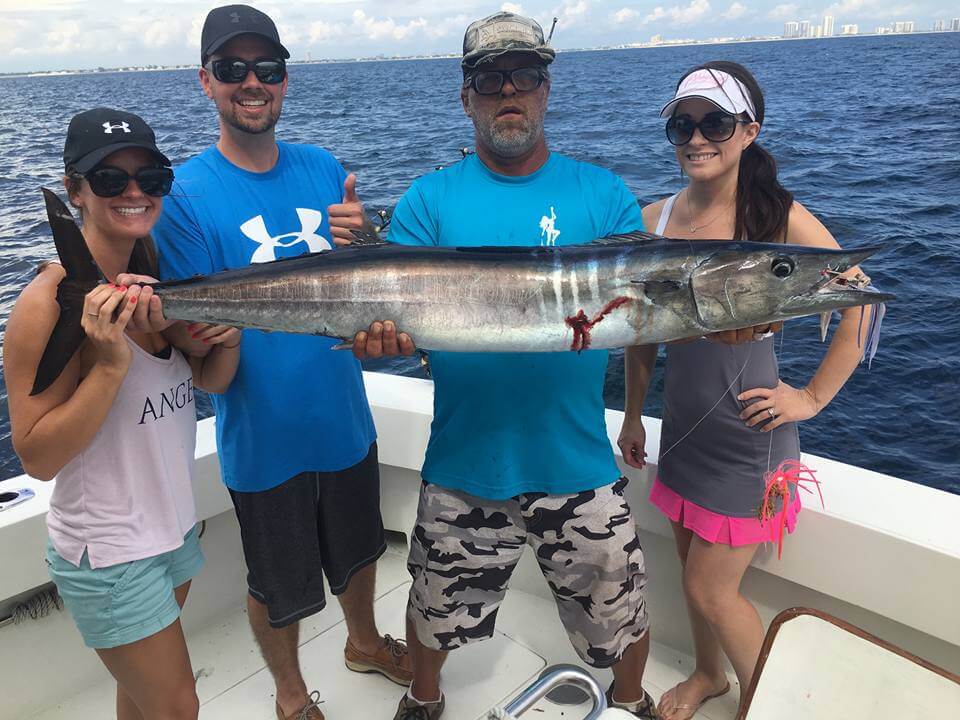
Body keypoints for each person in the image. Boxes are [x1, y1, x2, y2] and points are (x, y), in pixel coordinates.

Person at [353, 12, 659, 720]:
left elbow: (647, 315)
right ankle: (424, 701)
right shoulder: (430, 199)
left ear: (547, 90)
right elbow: (398, 315)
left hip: (579, 461)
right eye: (490, 79)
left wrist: (709, 345)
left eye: (525, 75)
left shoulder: (605, 195)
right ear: (466, 99)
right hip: (466, 460)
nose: (508, 90)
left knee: (625, 611)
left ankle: (632, 702)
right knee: (432, 612)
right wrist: (384, 338)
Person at [117, 6, 412, 720]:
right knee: (276, 586)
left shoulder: (323, 167)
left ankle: (364, 641)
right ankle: (288, 695)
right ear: (206, 82)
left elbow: (375, 281)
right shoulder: (183, 194)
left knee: (362, 548)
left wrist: (369, 238)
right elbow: (199, 331)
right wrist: (176, 327)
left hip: (343, 416)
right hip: (261, 437)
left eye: (267, 69)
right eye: (232, 69)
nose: (252, 82)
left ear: (284, 80)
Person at [618, 61, 879, 719]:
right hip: (683, 431)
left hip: (749, 439)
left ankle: (770, 707)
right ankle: (711, 675)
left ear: (747, 130)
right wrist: (631, 414)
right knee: (688, 571)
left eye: (715, 122)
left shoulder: (777, 217)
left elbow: (862, 301)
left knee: (711, 592)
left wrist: (812, 398)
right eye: (683, 123)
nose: (696, 137)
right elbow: (641, 332)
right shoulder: (656, 216)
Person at [3, 108, 241, 720]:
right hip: (108, 550)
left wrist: (223, 341)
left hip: (172, 528)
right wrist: (108, 367)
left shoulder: (158, 279)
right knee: (177, 707)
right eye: (110, 180)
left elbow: (208, 382)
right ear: (76, 191)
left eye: (150, 177)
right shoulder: (45, 306)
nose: (133, 193)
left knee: (139, 701)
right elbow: (37, 456)